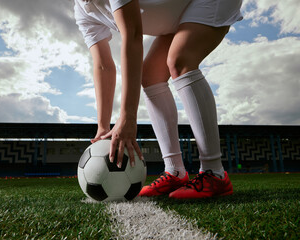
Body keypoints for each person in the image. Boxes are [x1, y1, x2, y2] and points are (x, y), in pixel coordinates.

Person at [74, 0, 242, 199]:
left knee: (180, 61)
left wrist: (128, 118)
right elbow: (103, 66)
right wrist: (103, 127)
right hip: (179, 12)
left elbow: (133, 35)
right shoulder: (82, 10)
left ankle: (214, 173)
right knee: (150, 75)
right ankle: (175, 172)